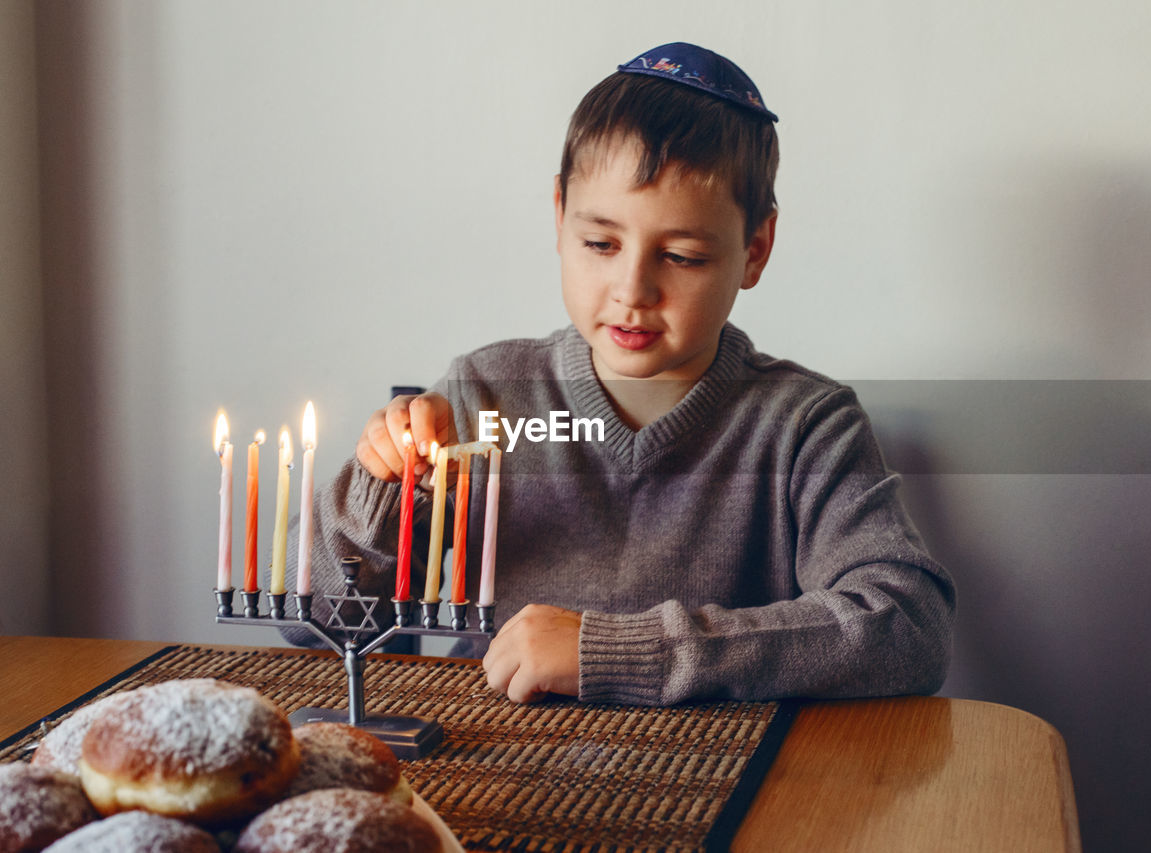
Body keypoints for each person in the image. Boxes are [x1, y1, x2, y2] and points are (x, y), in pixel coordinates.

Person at [285, 42, 955, 706]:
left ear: (755, 250)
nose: (632, 289)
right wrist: (380, 489)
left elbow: (907, 626)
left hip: (716, 785)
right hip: (488, 771)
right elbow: (308, 620)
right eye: (600, 243)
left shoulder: (804, 425)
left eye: (684, 256)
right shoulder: (486, 394)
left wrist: (615, 652)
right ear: (558, 216)